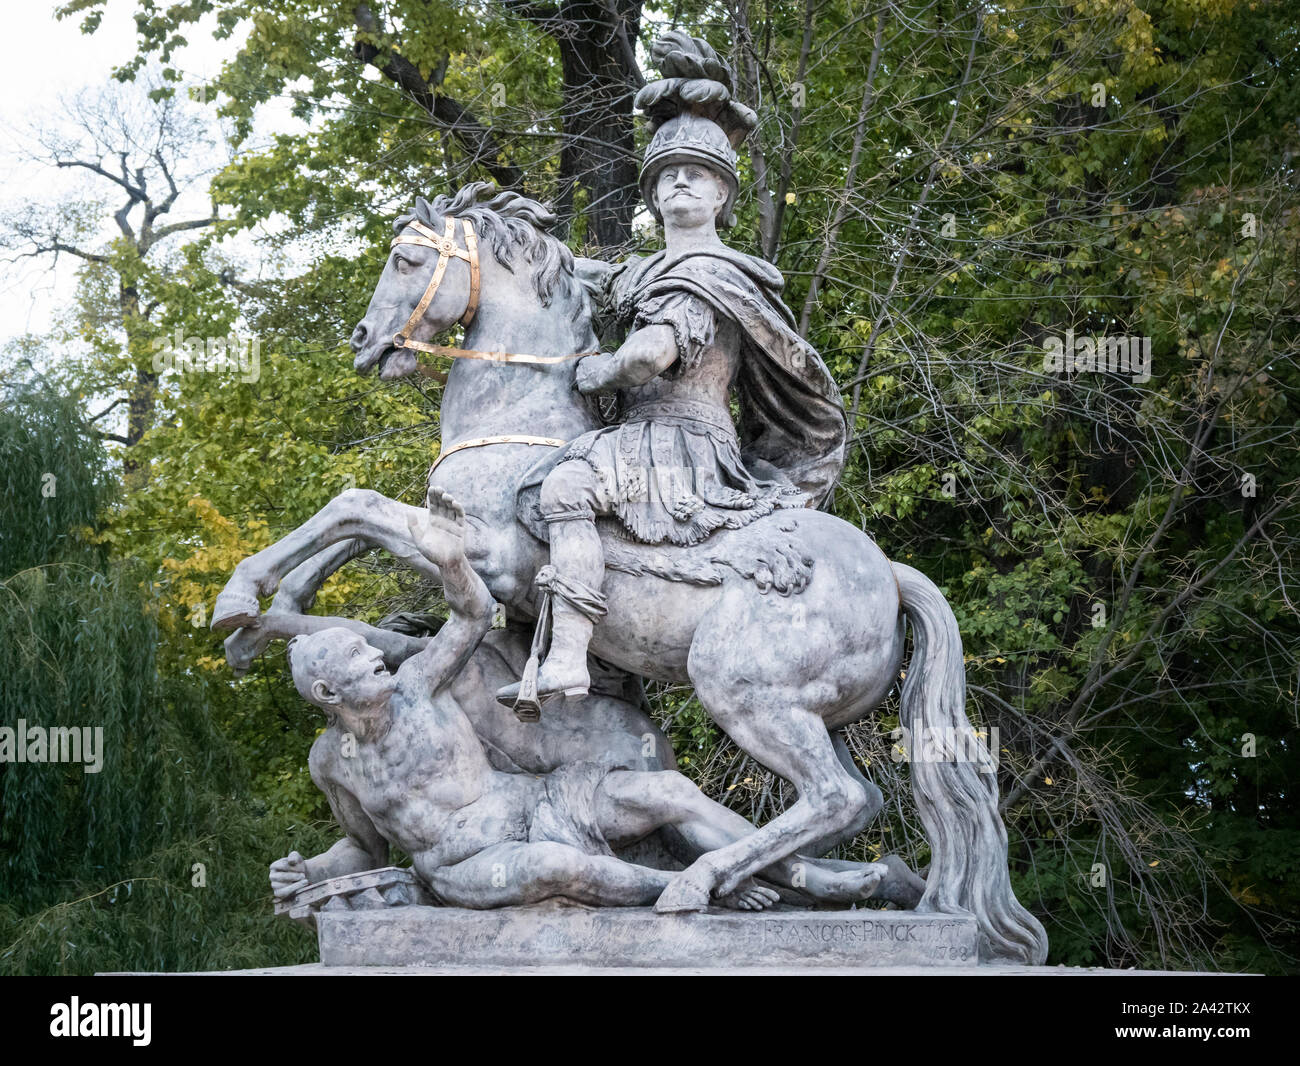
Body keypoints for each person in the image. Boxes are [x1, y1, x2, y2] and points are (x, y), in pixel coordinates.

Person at [270, 490, 887, 911]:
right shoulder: (332, 762)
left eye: (366, 649)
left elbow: (475, 613)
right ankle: (700, 885)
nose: (375, 656)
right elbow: (362, 849)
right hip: (472, 860)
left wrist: (453, 560)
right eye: (355, 658)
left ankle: (793, 872)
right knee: (559, 870)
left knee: (667, 792)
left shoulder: (417, 686)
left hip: (534, 801)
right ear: (328, 692)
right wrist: (312, 871)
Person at [498, 73, 848, 707]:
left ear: (722, 195)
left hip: (682, 447)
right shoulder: (644, 271)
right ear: (654, 199)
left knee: (564, 487)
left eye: (696, 174)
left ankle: (573, 659)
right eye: (665, 176)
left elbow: (649, 356)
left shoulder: (713, 274)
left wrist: (598, 372)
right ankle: (605, 661)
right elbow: (577, 272)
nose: (679, 182)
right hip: (636, 439)